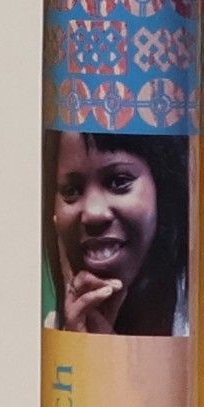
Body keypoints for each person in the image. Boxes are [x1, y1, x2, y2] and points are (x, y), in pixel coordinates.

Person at [42, 129, 190, 336]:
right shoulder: (54, 333)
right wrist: (83, 347)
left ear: (164, 189)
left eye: (119, 181)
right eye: (71, 191)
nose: (93, 213)